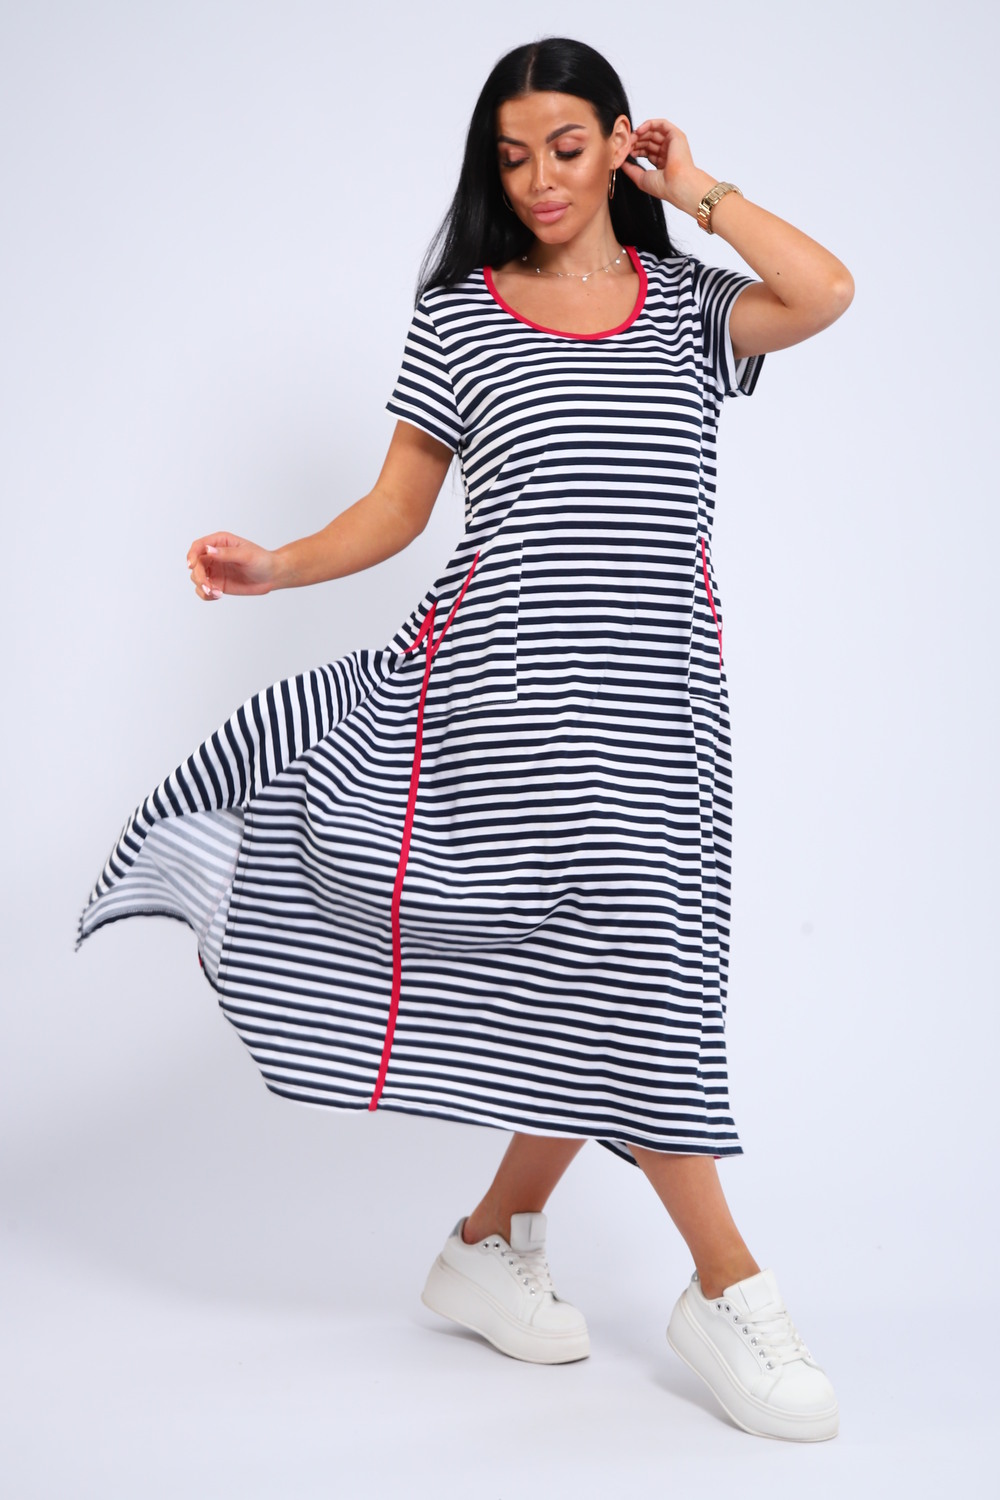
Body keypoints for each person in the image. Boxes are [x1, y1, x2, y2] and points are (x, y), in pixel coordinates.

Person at [76, 37, 853, 1442]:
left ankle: (490, 1243)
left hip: (660, 707)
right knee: (637, 968)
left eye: (568, 146)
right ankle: (728, 1284)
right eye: (512, 156)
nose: (539, 178)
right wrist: (277, 566)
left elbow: (826, 292)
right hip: (494, 702)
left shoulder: (690, 304)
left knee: (604, 973)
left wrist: (698, 190)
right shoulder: (462, 317)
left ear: (619, 143)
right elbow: (398, 509)